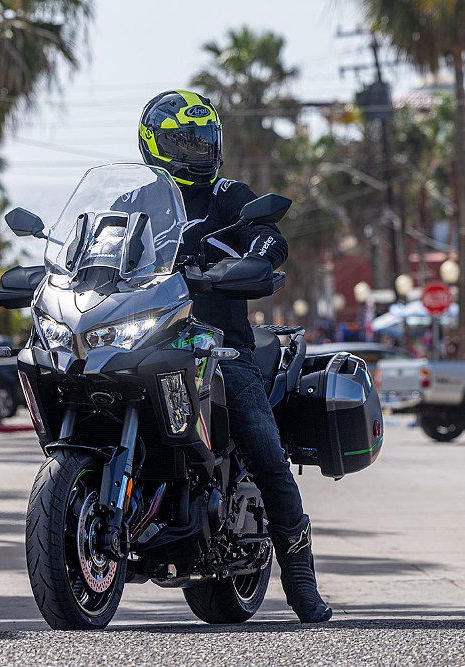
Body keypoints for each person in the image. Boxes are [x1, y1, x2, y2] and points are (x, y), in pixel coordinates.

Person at [138, 90, 332, 623]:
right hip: (144, 342)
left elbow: (269, 238)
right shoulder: (134, 204)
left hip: (218, 348)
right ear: (155, 143)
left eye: (203, 140)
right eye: (184, 141)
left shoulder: (228, 195)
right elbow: (97, 251)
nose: (197, 150)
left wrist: (256, 256)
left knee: (264, 449)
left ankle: (301, 582)